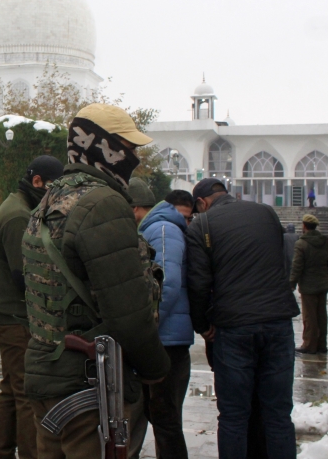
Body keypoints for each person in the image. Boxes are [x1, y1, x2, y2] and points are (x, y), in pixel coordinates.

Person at [22, 104, 170, 458]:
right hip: (86, 384)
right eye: (128, 146)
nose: (134, 156)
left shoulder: (52, 198)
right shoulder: (103, 203)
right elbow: (129, 312)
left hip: (49, 372)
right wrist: (156, 368)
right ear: (102, 146)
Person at [186, 177, 300, 459]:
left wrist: (202, 325)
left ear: (201, 203)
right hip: (278, 321)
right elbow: (283, 259)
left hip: (233, 327)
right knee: (278, 414)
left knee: (234, 415)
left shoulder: (203, 224)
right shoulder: (265, 212)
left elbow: (198, 283)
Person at [0, 155, 64, 459]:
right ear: (37, 182)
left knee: (11, 387)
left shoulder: (19, 206)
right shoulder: (19, 215)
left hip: (8, 312)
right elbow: (25, 277)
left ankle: (1, 452)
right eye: (53, 189)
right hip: (14, 316)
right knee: (27, 391)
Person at [138, 188, 193, 459]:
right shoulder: (160, 227)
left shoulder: (161, 229)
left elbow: (166, 283)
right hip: (167, 338)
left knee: (165, 417)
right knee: (161, 416)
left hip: (166, 340)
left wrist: (148, 328)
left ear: (136, 208)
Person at [289, 214, 328, 356]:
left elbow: (297, 266)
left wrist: (292, 283)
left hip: (308, 286)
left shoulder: (301, 244)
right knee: (322, 315)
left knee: (309, 316)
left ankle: (309, 345)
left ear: (304, 226)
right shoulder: (325, 242)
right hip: (323, 284)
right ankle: (322, 344)